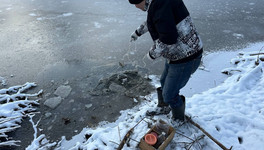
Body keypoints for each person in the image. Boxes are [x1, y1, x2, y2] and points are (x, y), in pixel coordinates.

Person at [128, 0, 203, 121]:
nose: (136, 7)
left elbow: (168, 39)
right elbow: (153, 21)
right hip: (176, 54)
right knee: (163, 81)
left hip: (186, 57)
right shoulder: (157, 4)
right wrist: (138, 32)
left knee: (169, 94)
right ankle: (164, 107)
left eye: (136, 3)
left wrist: (151, 54)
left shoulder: (160, 6)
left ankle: (179, 119)